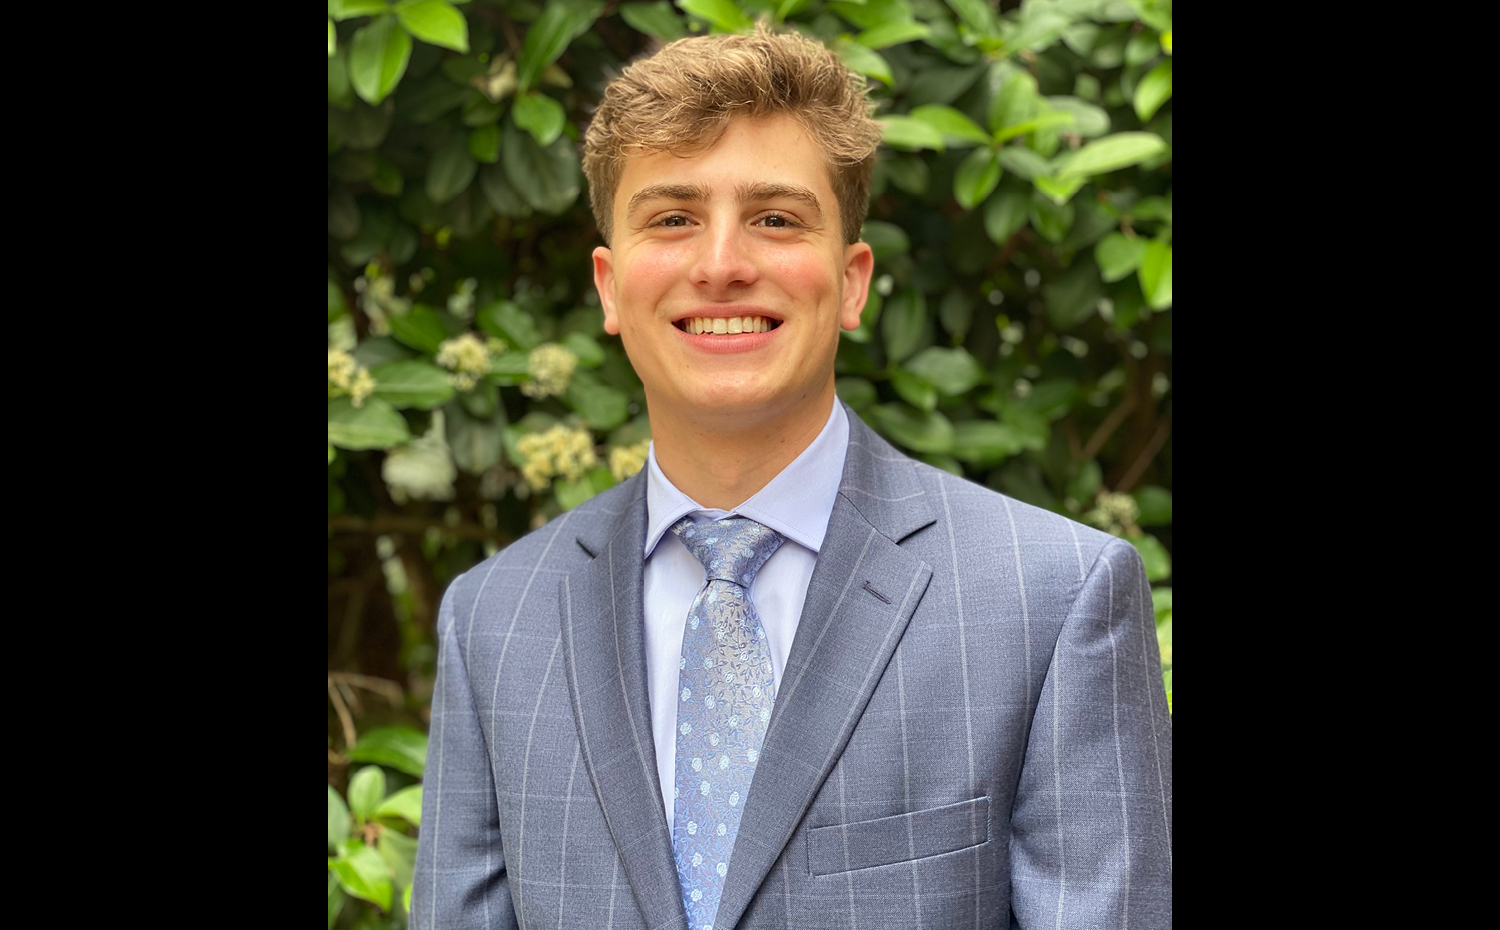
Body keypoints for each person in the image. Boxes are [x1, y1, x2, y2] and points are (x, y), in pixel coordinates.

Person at [412, 22, 1171, 930]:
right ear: (610, 287)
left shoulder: (1054, 601)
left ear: (852, 282)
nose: (722, 266)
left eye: (775, 218)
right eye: (672, 218)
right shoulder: (491, 623)